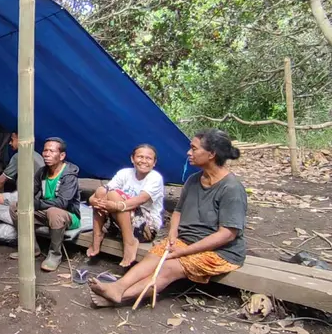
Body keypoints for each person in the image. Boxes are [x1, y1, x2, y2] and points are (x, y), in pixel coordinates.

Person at [88, 128, 246, 308]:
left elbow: (227, 235)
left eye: (194, 149)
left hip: (220, 251)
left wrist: (185, 251)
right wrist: (172, 233)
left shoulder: (231, 188)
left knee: (169, 267)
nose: (188, 152)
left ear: (211, 154)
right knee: (153, 257)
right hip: (186, 240)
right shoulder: (193, 180)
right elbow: (178, 212)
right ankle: (117, 287)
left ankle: (121, 298)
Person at [9, 137, 81, 272]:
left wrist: (36, 204)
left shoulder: (69, 175)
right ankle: (31, 249)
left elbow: (62, 202)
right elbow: (31, 193)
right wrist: (26, 202)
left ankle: (55, 254)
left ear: (62, 155)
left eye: (51, 151)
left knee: (54, 211)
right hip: (46, 211)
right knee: (15, 207)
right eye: (45, 150)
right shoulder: (42, 172)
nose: (46, 154)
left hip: (68, 215)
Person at [87, 144, 165, 267]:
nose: (144, 161)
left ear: (154, 163)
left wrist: (116, 205)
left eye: (148, 158)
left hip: (145, 229)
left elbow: (141, 199)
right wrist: (93, 200)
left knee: (113, 194)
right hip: (119, 224)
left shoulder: (155, 178)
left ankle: (129, 242)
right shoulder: (125, 173)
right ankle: (97, 235)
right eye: (140, 157)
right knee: (101, 191)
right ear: (132, 159)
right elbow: (103, 190)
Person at [0, 132, 44, 206]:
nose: (10, 143)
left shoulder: (19, 156)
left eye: (12, 140)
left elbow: (1, 180)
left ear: (20, 140)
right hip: (41, 195)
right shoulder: (37, 155)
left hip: (28, 198)